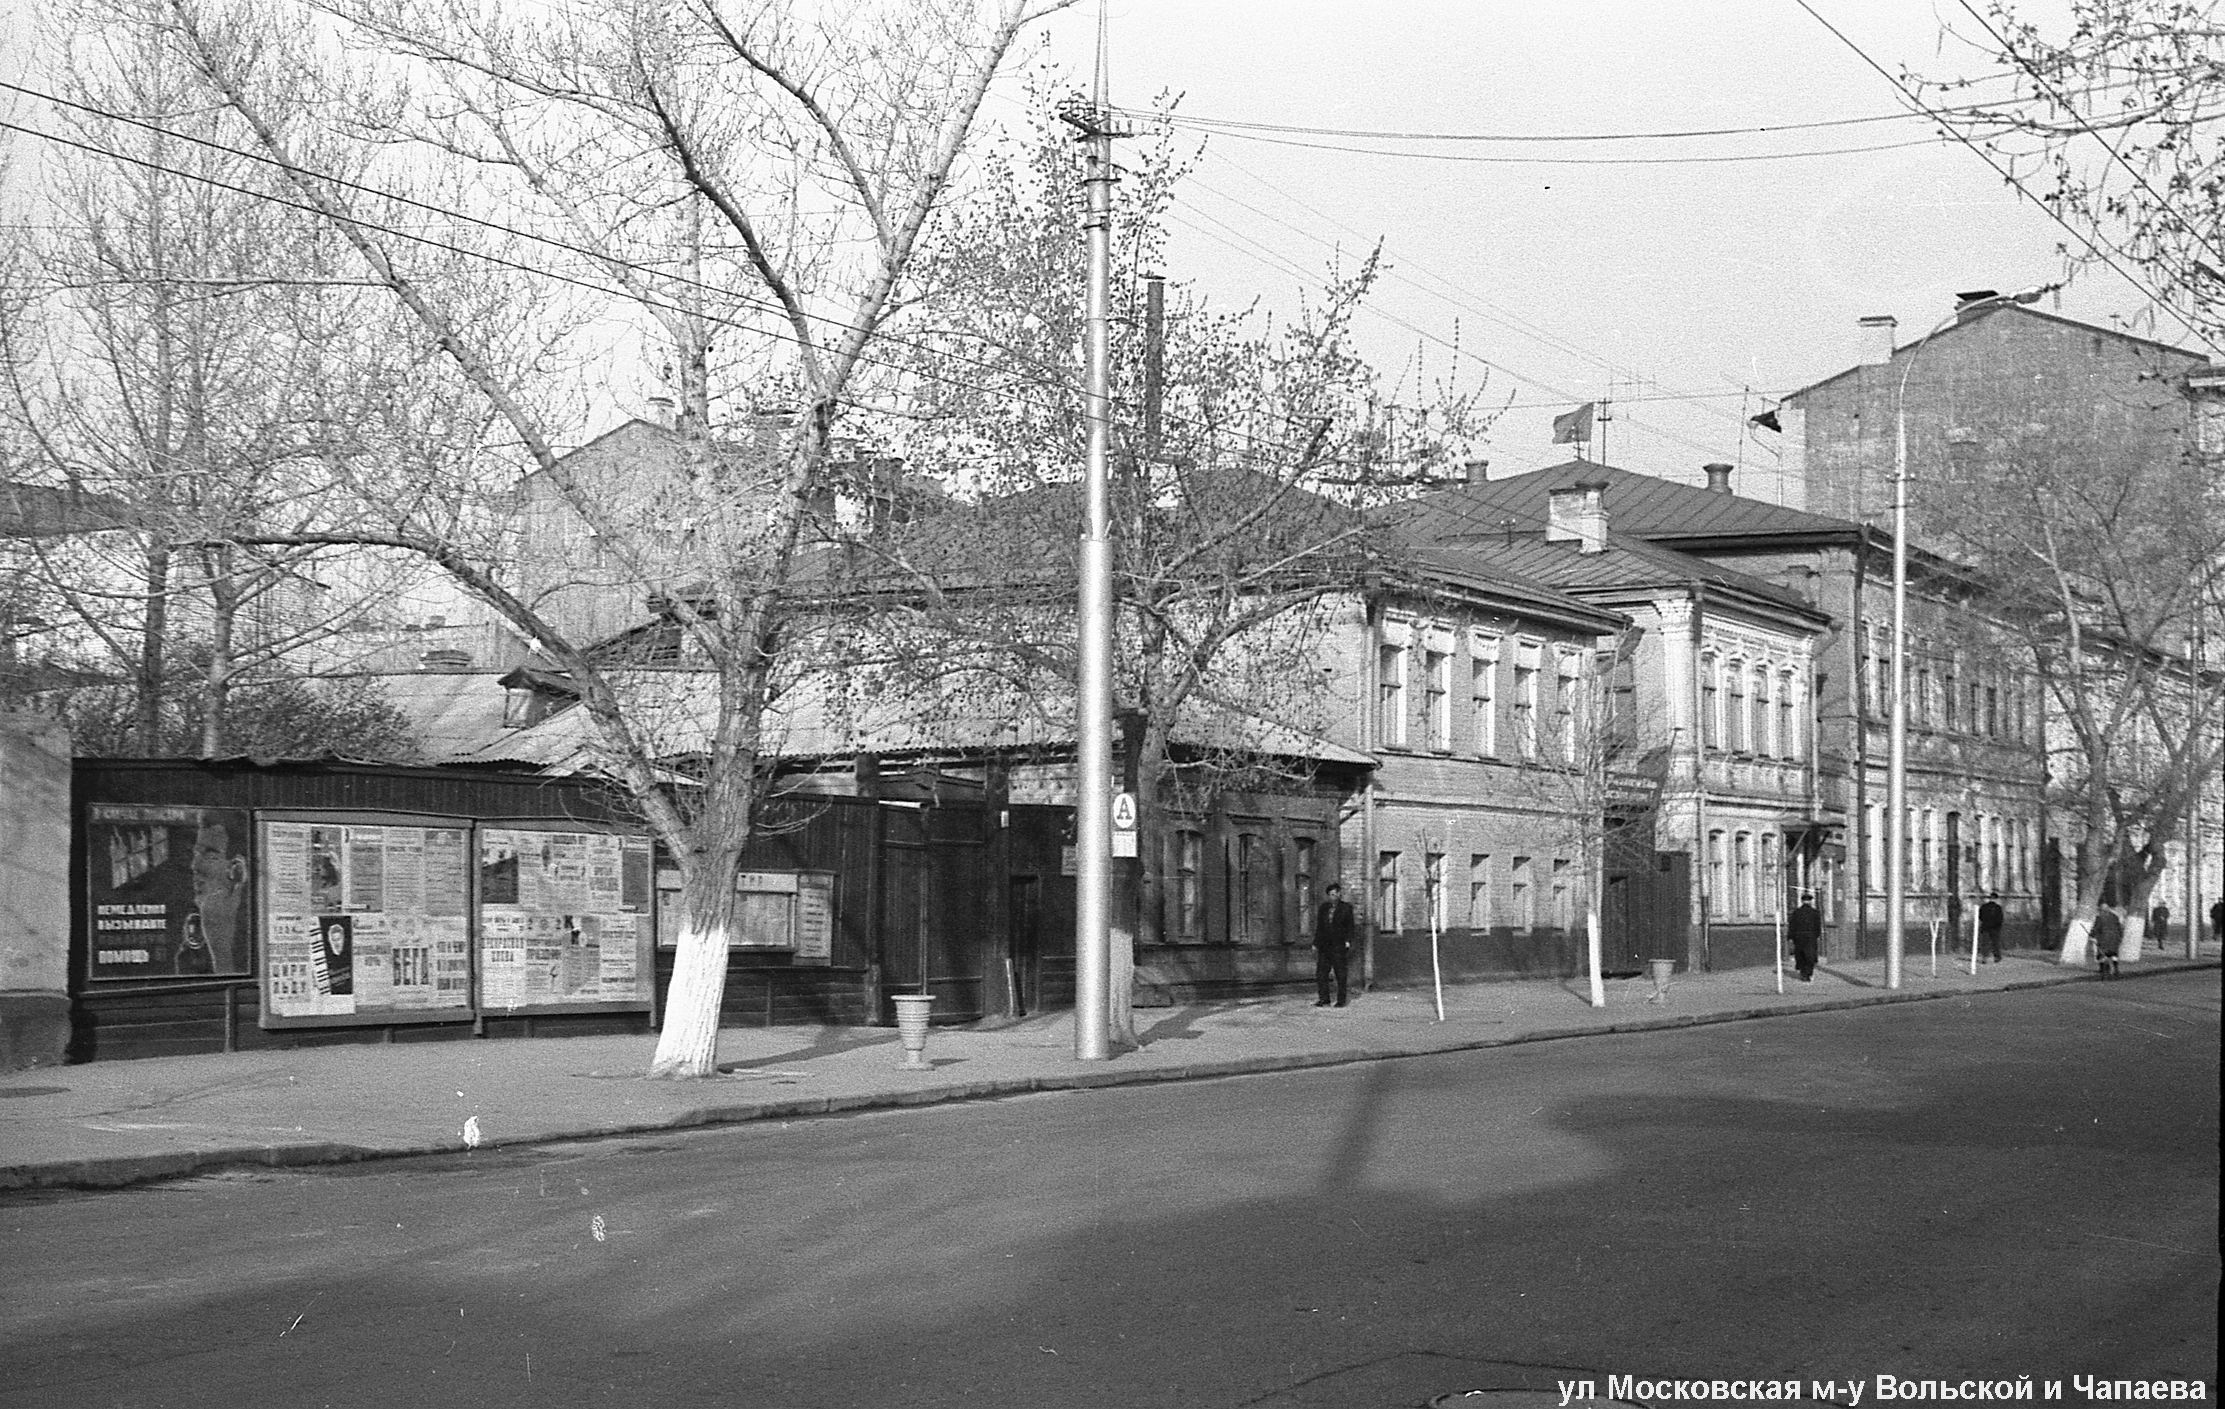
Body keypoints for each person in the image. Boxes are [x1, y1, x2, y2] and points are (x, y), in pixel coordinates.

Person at [1314, 881, 1356, 1008]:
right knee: (1321, 973)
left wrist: (1348, 941)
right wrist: (1316, 943)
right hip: (1325, 946)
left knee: (1340, 974)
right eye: (1331, 894)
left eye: (1335, 894)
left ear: (1339, 894)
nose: (1333, 897)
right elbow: (1319, 927)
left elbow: (1350, 927)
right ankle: (1324, 999)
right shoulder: (1324, 908)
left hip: (1338, 945)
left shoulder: (1346, 908)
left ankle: (1341, 1000)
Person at [1787, 892, 1822, 981]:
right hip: (1810, 937)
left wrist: (1791, 937)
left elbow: (1792, 925)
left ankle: (1803, 973)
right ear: (1810, 901)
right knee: (1810, 955)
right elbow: (1818, 926)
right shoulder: (1815, 912)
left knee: (1800, 955)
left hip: (1799, 937)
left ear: (1802, 901)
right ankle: (1809, 972)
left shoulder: (1797, 912)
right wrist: (1817, 935)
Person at [2090, 902, 2123, 979]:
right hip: (2115, 938)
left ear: (2101, 910)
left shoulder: (2100, 917)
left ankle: (2103, 970)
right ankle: (2116, 969)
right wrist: (2120, 937)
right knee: (2113, 954)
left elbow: (2097, 927)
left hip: (2104, 938)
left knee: (2102, 954)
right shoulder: (2115, 916)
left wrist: (2092, 935)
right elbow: (2119, 927)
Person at [1978, 891, 2005, 964]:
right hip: (1995, 928)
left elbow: (1980, 917)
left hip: (1985, 927)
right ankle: (1997, 957)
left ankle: (1984, 958)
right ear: (1996, 899)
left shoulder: (1984, 907)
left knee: (1985, 943)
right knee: (1995, 943)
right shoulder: (1998, 908)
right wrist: (1997, 925)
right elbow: (2000, 919)